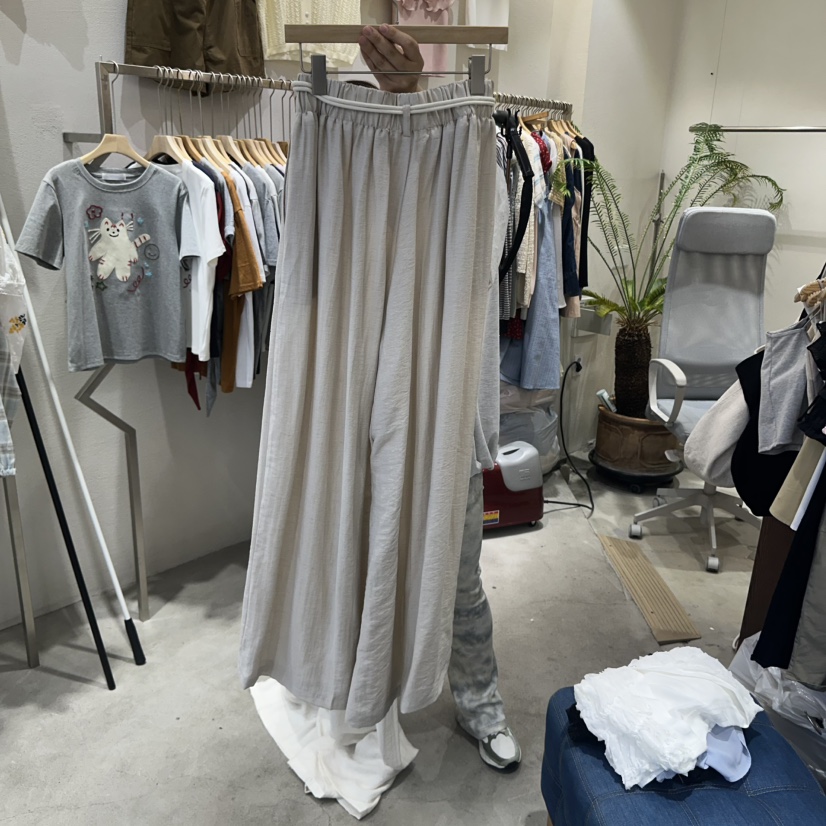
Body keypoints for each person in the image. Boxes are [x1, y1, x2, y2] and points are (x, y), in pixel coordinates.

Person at [355, 24, 522, 772]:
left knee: (457, 576)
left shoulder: (475, 160)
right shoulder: (349, 157)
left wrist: (420, 100)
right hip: (368, 405)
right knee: (363, 563)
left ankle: (479, 701)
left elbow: (479, 266)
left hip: (449, 409)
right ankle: (365, 695)